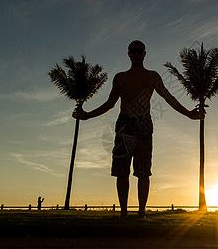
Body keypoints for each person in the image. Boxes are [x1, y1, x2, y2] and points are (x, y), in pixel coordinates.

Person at [73, 40, 201, 218]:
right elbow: (110, 103)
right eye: (133, 51)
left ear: (144, 53)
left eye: (139, 51)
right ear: (128, 54)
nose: (136, 54)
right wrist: (87, 115)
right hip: (124, 125)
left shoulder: (152, 76)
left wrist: (188, 113)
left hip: (144, 126)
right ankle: (124, 213)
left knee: (143, 171)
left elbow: (168, 97)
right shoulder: (120, 77)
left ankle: (141, 213)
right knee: (121, 171)